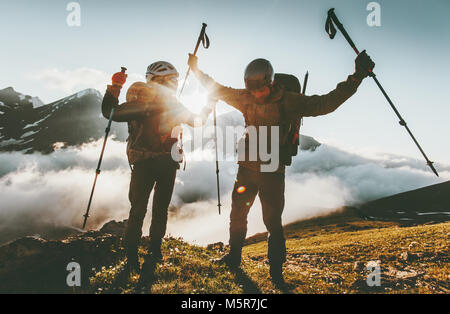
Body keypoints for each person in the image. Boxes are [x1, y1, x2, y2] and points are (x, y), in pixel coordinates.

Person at [187, 51, 374, 285]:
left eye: (260, 89)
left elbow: (327, 103)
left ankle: (276, 272)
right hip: (247, 167)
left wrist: (356, 77)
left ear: (271, 82)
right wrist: (195, 70)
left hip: (272, 172)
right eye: (252, 90)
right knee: (238, 213)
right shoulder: (246, 97)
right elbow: (215, 87)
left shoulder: (291, 101)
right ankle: (234, 258)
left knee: (272, 222)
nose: (257, 95)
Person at [101, 61, 213, 273]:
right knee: (160, 209)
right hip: (167, 163)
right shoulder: (173, 104)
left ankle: (132, 256)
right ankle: (155, 250)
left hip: (143, 163)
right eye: (172, 80)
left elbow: (110, 112)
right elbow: (197, 121)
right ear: (161, 81)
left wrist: (115, 87)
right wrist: (208, 105)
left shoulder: (142, 104)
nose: (174, 84)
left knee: (137, 210)